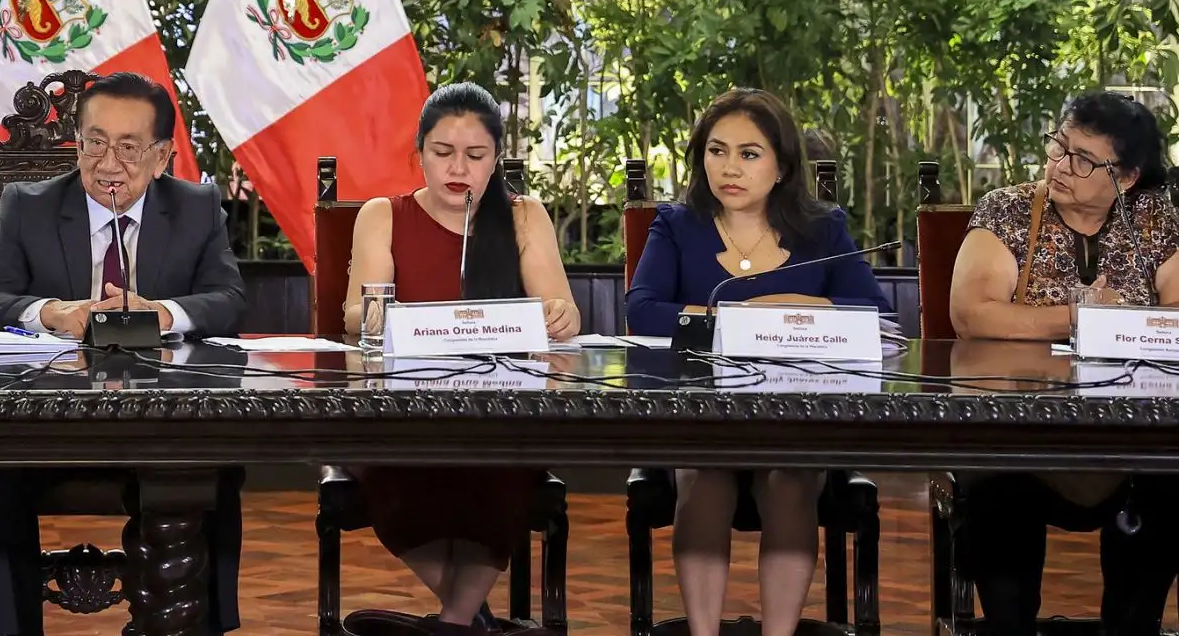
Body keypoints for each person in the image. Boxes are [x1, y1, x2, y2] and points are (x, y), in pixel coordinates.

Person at [0, 71, 247, 636]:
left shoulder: (196, 207)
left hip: (161, 419)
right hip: (44, 419)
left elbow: (229, 298)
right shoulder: (30, 204)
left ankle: (197, 626)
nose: (107, 162)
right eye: (94, 142)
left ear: (162, 156)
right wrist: (52, 314)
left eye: (128, 146)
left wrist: (163, 313)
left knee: (207, 463)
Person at [624, 87, 889, 636]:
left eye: (749, 154)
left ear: (782, 165)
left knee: (788, 480)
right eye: (716, 151)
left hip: (796, 416)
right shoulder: (677, 224)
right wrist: (737, 315)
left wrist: (807, 304)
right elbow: (643, 312)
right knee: (705, 478)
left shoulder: (823, 228)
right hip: (701, 415)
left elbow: (877, 315)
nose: (730, 168)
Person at [338, 83, 580, 636]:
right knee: (384, 468)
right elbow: (356, 315)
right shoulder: (384, 214)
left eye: (476, 156)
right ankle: (471, 621)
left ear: (496, 159)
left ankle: (452, 623)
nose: (458, 168)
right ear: (419, 152)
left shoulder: (522, 217)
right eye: (442, 152)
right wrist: (387, 317)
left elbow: (558, 312)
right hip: (403, 407)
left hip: (501, 409)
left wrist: (561, 317)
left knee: (502, 468)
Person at [947, 90, 1179, 635]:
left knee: (1171, 480)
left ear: (1125, 178)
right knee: (994, 486)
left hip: (1130, 434)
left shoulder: (1155, 220)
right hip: (1018, 427)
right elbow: (972, 314)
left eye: (1081, 159)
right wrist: (1080, 317)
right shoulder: (1006, 209)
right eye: (1058, 146)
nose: (1059, 165)